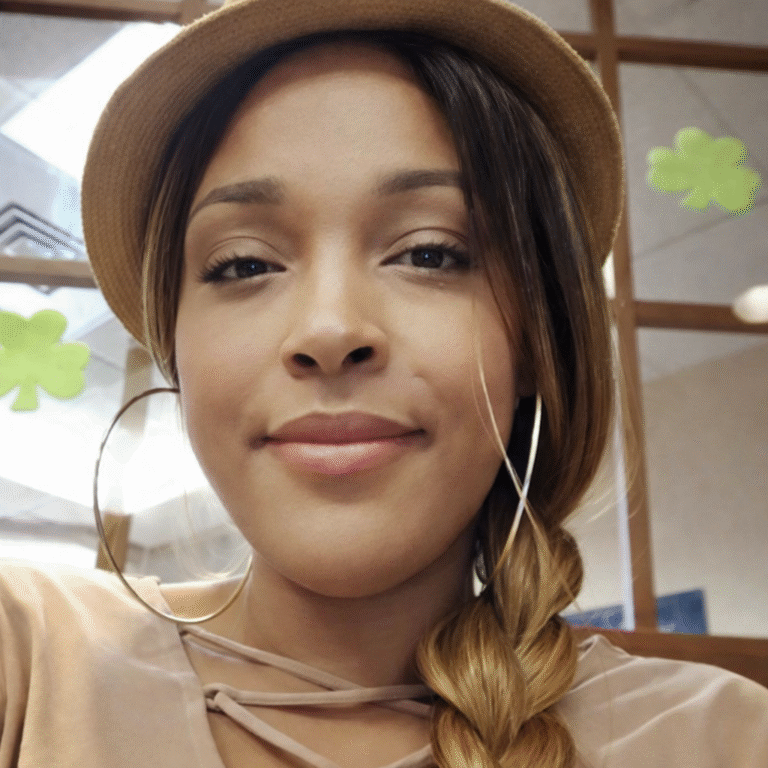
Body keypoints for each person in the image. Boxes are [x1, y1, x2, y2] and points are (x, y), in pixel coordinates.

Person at [1, 0, 766, 766]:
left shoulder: (722, 738)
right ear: (175, 346)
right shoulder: (30, 656)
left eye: (430, 253)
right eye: (243, 264)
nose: (330, 331)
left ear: (537, 338)